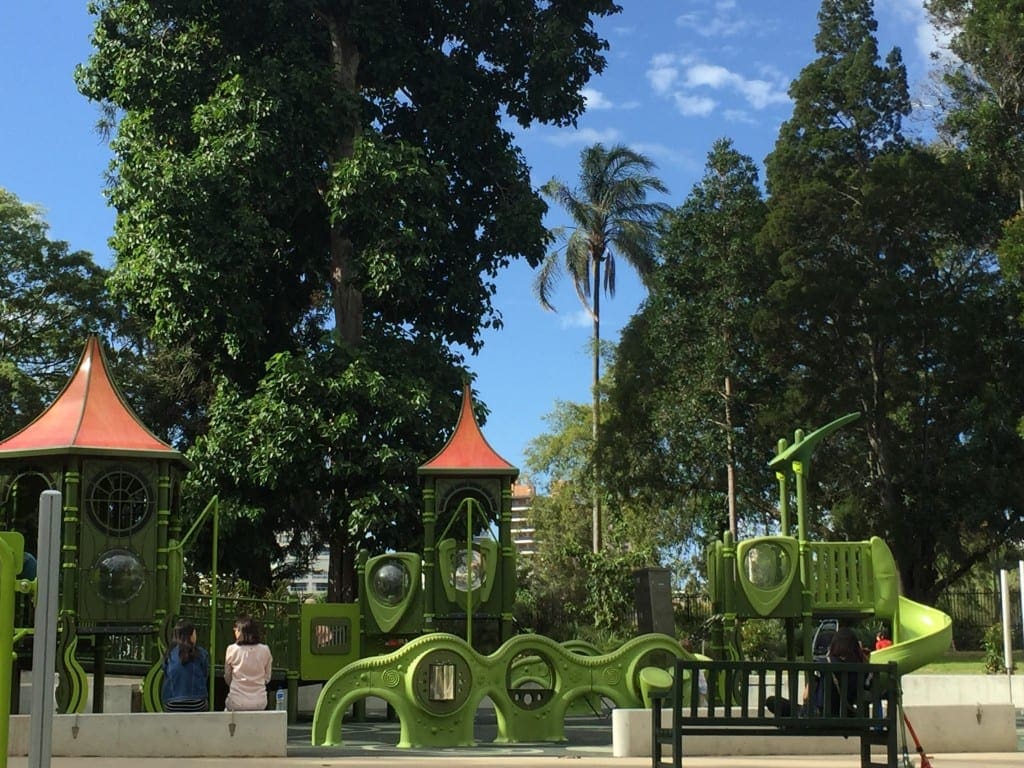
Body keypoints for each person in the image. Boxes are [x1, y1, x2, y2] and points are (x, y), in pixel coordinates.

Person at [765, 626, 866, 718]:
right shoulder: (861, 669)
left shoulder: (823, 663)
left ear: (834, 644)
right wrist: (863, 657)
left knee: (772, 701)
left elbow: (806, 696)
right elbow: (868, 693)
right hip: (846, 716)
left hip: (817, 716)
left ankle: (792, 721)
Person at [224, 615, 273, 711]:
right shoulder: (265, 650)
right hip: (260, 702)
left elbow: (228, 677)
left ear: (242, 632)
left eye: (237, 629)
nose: (235, 631)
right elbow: (267, 678)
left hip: (236, 701)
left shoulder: (232, 649)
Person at [161, 619, 210, 712]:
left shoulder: (169, 654)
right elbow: (205, 675)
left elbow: (166, 674)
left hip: (172, 705)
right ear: (191, 635)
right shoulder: (201, 653)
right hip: (197, 704)